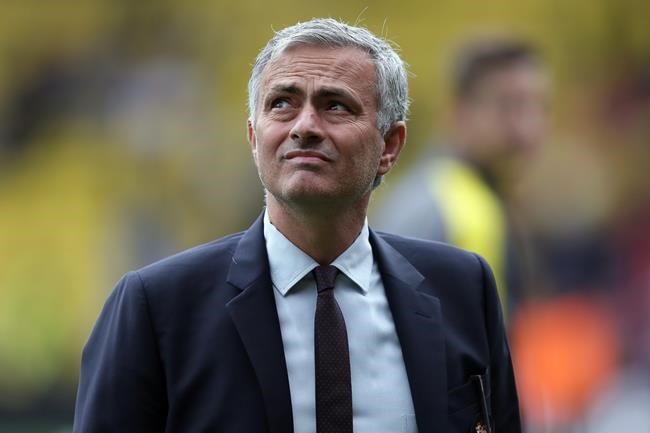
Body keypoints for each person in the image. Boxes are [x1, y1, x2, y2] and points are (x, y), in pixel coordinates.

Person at [73, 19, 521, 433]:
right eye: (282, 103)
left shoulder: (463, 288)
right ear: (254, 137)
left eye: (335, 105)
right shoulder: (159, 309)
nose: (305, 126)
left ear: (389, 144)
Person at [373, 38, 549, 313]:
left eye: (535, 107)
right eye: (507, 107)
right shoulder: (445, 207)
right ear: (458, 112)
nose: (527, 130)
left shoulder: (475, 196)